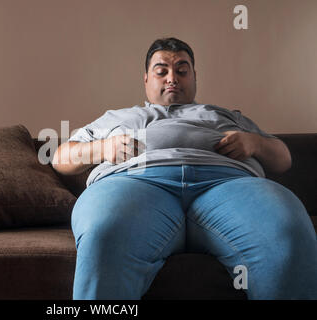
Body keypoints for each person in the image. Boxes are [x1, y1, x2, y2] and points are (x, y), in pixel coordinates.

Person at [52, 37, 317, 299]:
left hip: (229, 186)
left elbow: (283, 159)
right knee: (104, 232)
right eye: (161, 71)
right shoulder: (115, 118)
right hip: (134, 185)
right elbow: (61, 158)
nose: (172, 78)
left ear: (195, 77)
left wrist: (255, 142)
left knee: (288, 232)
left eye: (181, 70)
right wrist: (101, 149)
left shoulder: (227, 116)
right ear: (146, 78)